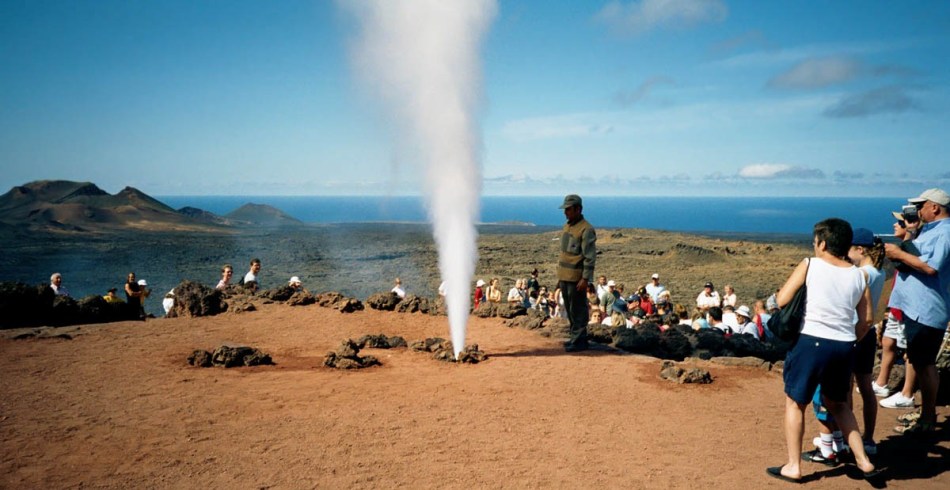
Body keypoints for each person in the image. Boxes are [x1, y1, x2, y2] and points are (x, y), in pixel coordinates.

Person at [766, 218, 876, 483]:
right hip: (843, 345)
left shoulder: (810, 265)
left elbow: (782, 299)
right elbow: (868, 320)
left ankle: (793, 465)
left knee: (796, 402)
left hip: (810, 342)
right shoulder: (859, 275)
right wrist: (851, 340)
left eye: (816, 242)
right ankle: (863, 459)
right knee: (839, 405)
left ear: (823, 243)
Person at [883, 188, 950, 435]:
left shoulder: (945, 233)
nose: (917, 209)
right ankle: (926, 414)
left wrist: (898, 252)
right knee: (920, 361)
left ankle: (928, 418)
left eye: (921, 205)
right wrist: (910, 235)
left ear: (935, 207)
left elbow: (932, 268)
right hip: (916, 308)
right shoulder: (931, 231)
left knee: (924, 362)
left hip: (927, 308)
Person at [875, 211, 920, 402]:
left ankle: (907, 393)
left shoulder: (911, 249)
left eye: (900, 222)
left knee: (910, 349)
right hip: (896, 305)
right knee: (888, 341)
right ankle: (881, 383)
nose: (895, 225)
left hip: (907, 306)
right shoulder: (901, 249)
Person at [557, 194, 596, 352]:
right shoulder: (567, 226)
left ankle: (580, 341)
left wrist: (585, 278)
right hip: (564, 275)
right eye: (565, 209)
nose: (565, 212)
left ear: (578, 209)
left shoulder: (586, 229)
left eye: (568, 209)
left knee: (578, 309)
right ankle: (575, 338)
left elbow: (589, 257)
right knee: (569, 307)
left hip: (576, 277)